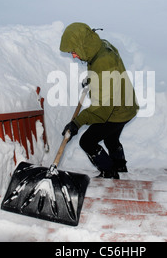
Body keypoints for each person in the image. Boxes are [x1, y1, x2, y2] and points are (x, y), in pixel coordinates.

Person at [60, 22, 139, 179]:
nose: (74, 56)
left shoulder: (103, 63)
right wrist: (93, 78)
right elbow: (108, 75)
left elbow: (103, 108)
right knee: (111, 139)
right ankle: (120, 167)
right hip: (126, 105)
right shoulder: (100, 46)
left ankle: (109, 172)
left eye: (74, 51)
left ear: (82, 44)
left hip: (116, 110)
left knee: (87, 141)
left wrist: (77, 123)